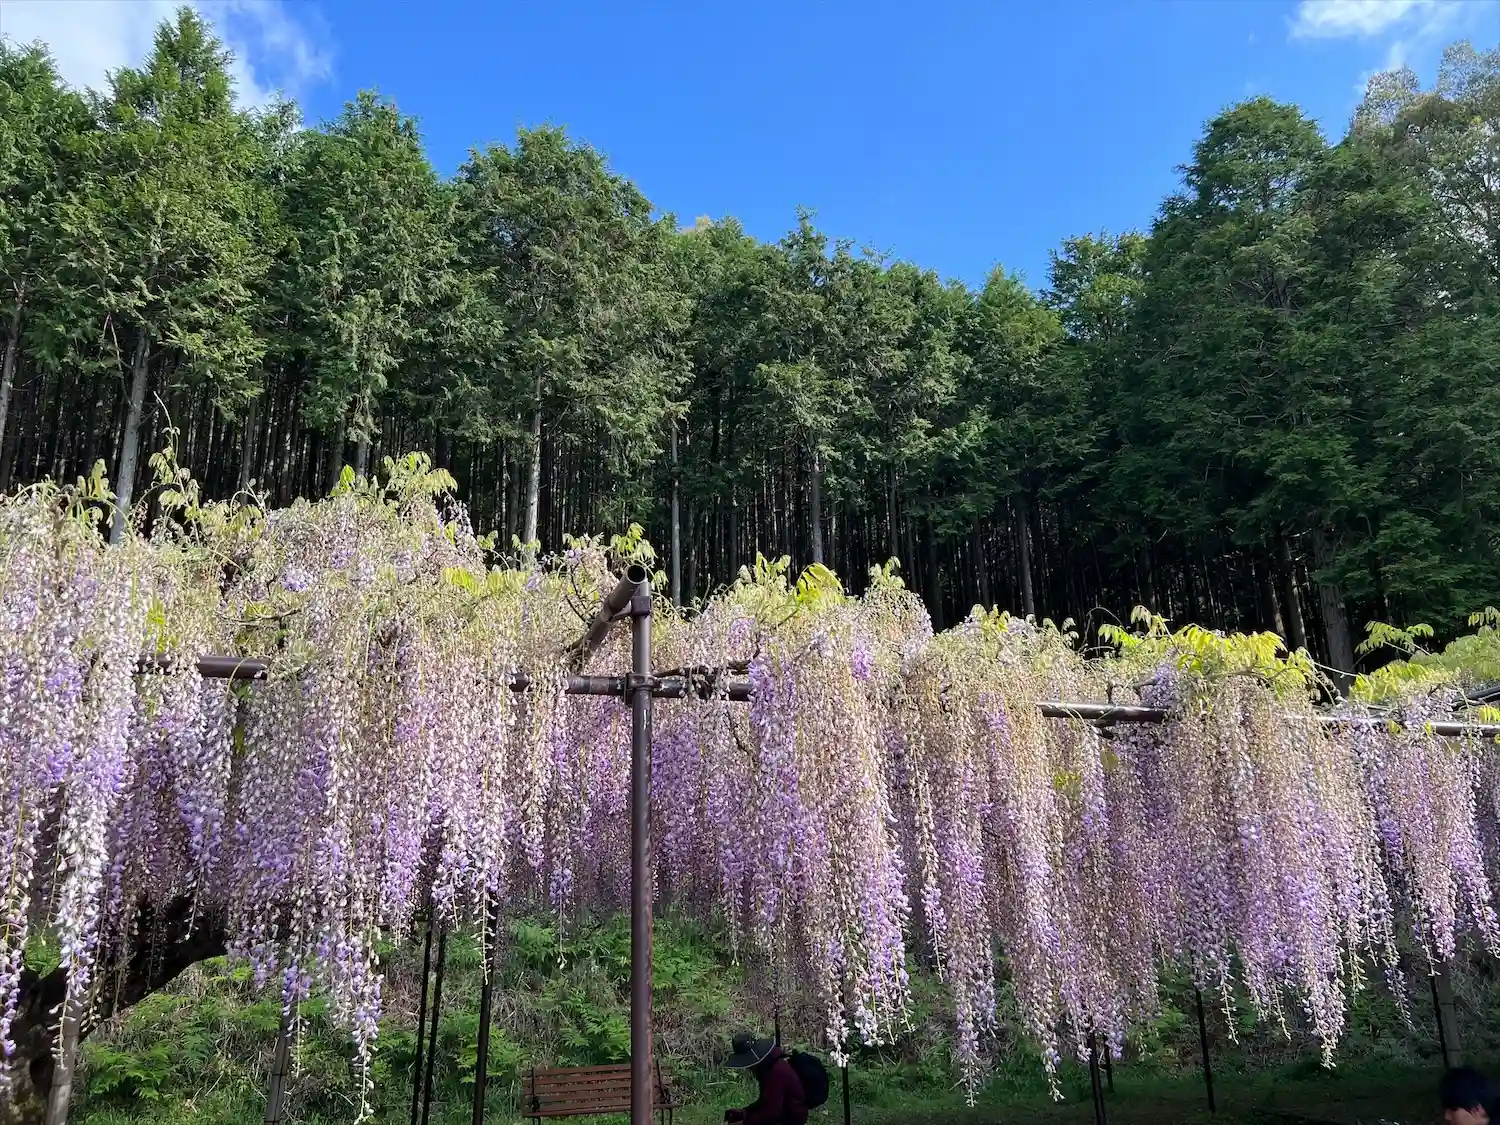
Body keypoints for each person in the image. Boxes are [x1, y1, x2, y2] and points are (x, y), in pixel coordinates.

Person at [723, 1032, 807, 1125]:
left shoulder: (776, 1071)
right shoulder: (766, 1068)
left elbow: (771, 1112)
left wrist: (744, 1122)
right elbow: (766, 1102)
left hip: (791, 1119)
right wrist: (745, 1112)